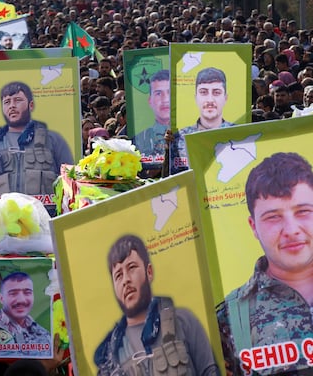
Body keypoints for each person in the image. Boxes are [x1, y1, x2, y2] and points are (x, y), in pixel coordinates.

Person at [217, 152, 313, 375]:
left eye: (303, 212)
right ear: (253, 226)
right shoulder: (230, 317)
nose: (291, 230)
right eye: (273, 217)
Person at [94, 234, 218, 376]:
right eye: (118, 275)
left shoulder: (183, 321)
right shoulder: (109, 357)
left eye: (132, 267)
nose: (126, 280)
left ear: (149, 272)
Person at [0, 81, 73, 197]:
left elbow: (70, 181)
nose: (12, 106)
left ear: (31, 105)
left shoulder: (52, 140)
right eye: (7, 102)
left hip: (45, 214)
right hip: (1, 214)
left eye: (18, 100)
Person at [170, 67, 235, 174]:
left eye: (216, 92)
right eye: (204, 92)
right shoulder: (180, 138)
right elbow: (173, 178)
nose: (210, 100)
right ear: (196, 97)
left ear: (225, 98)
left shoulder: (238, 135)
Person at [0, 272, 51, 358]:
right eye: (13, 293)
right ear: (1, 298)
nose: (21, 300)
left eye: (27, 292)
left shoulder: (38, 330)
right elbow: (12, 361)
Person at [132, 69, 170, 170]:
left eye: (169, 93)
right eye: (158, 93)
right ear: (150, 100)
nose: (165, 99)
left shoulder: (191, 136)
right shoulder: (137, 140)